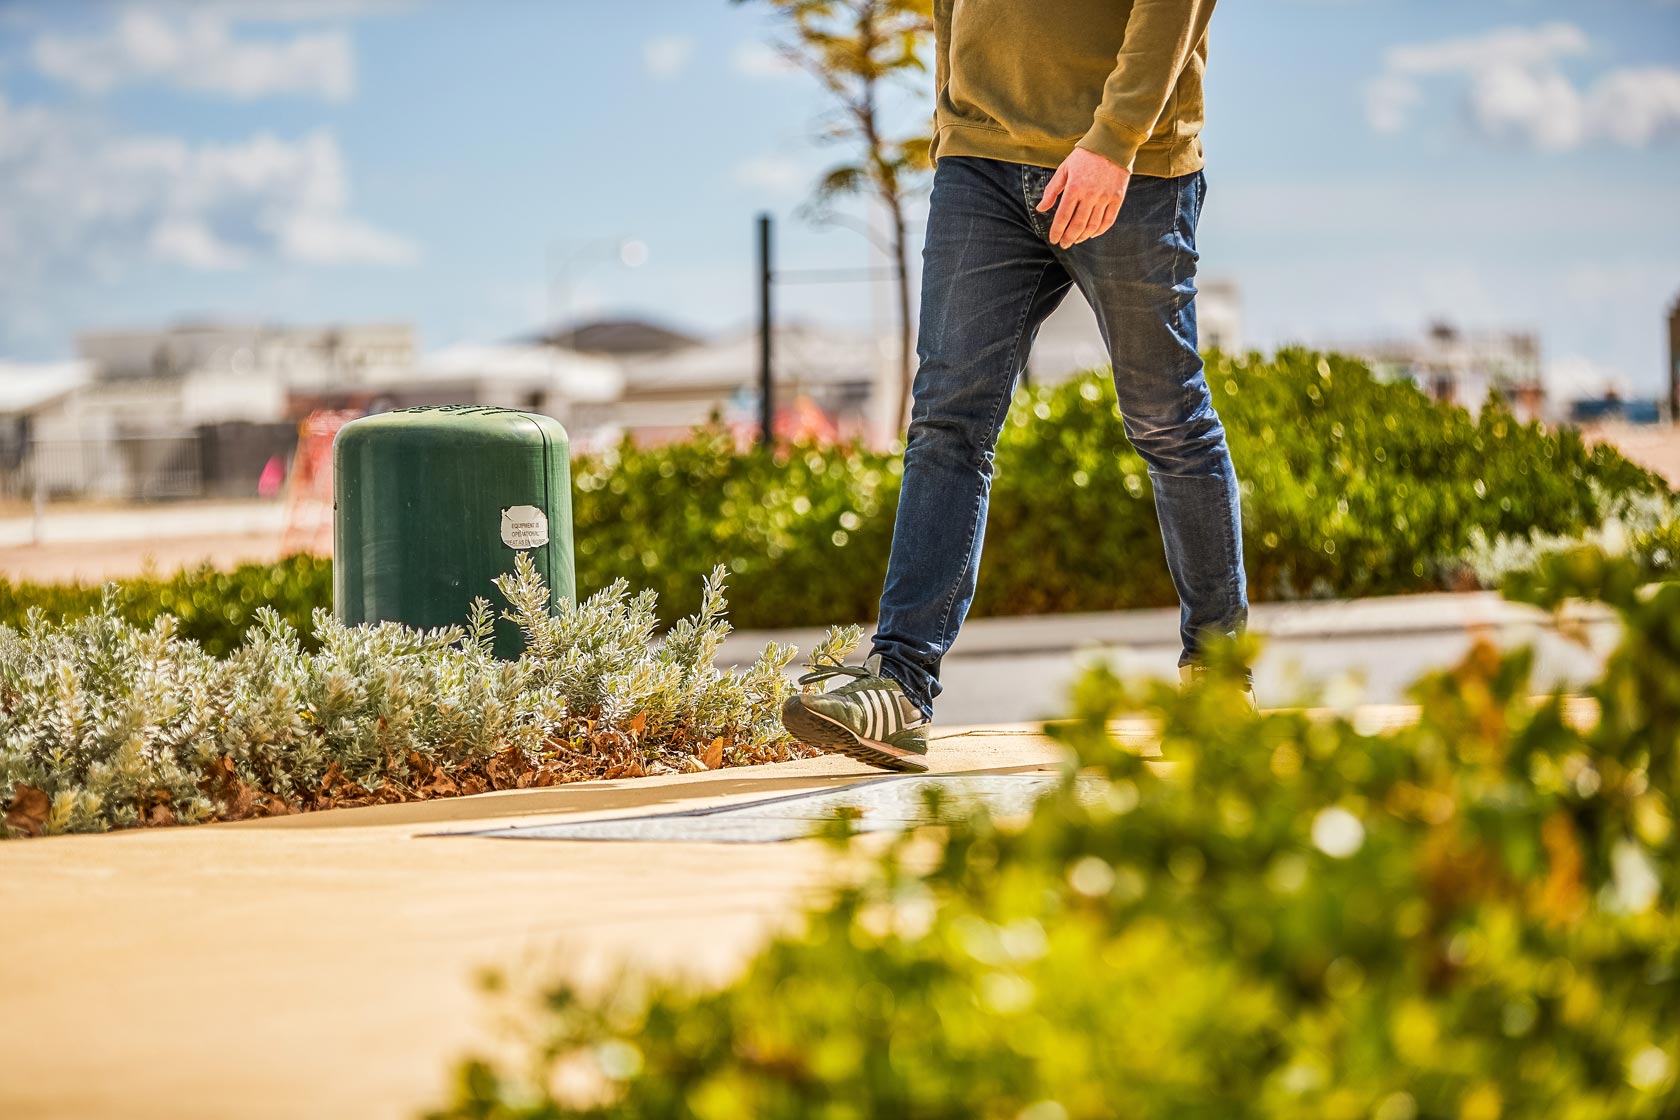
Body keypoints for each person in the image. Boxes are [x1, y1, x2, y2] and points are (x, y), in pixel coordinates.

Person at [781, 0, 1247, 773]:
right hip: (981, 161)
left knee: (1166, 418)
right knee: (947, 423)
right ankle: (901, 687)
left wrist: (1115, 138)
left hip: (1130, 163)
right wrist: (953, 120)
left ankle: (1219, 680)